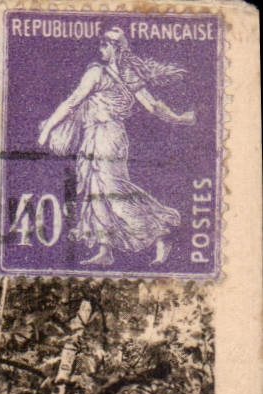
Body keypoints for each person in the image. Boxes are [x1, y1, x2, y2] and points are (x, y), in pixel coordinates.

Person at [37, 27, 196, 266]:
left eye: (105, 44)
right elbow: (74, 102)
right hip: (93, 136)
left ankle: (162, 229)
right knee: (95, 190)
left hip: (110, 136)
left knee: (113, 188)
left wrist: (178, 118)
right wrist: (179, 118)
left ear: (117, 48)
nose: (100, 49)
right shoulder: (102, 72)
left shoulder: (111, 74)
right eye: (100, 44)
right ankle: (105, 250)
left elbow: (152, 105)